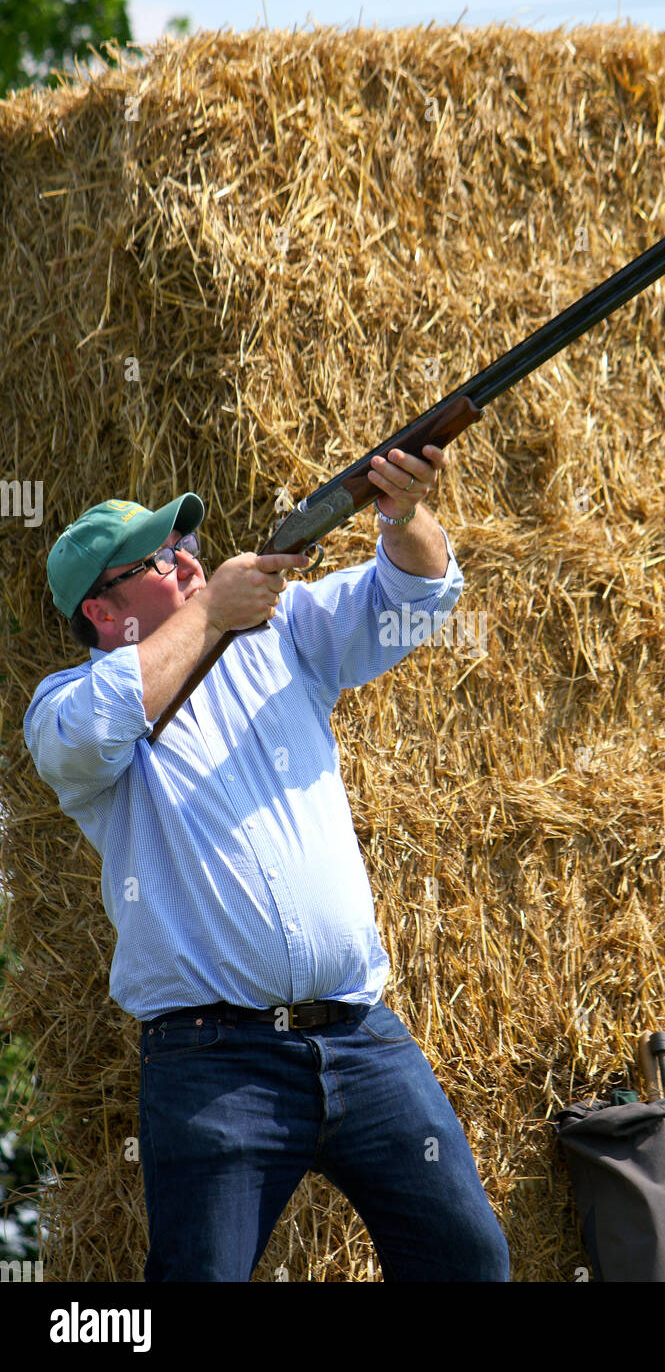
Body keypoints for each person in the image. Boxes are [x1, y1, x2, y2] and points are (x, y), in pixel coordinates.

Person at [23, 441, 510, 1282]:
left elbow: (420, 596)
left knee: (468, 1260)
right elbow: (97, 726)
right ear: (102, 613)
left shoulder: (279, 633)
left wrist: (402, 512)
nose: (186, 563)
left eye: (186, 548)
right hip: (213, 1065)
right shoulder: (66, 706)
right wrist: (210, 616)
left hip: (362, 1036)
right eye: (158, 559)